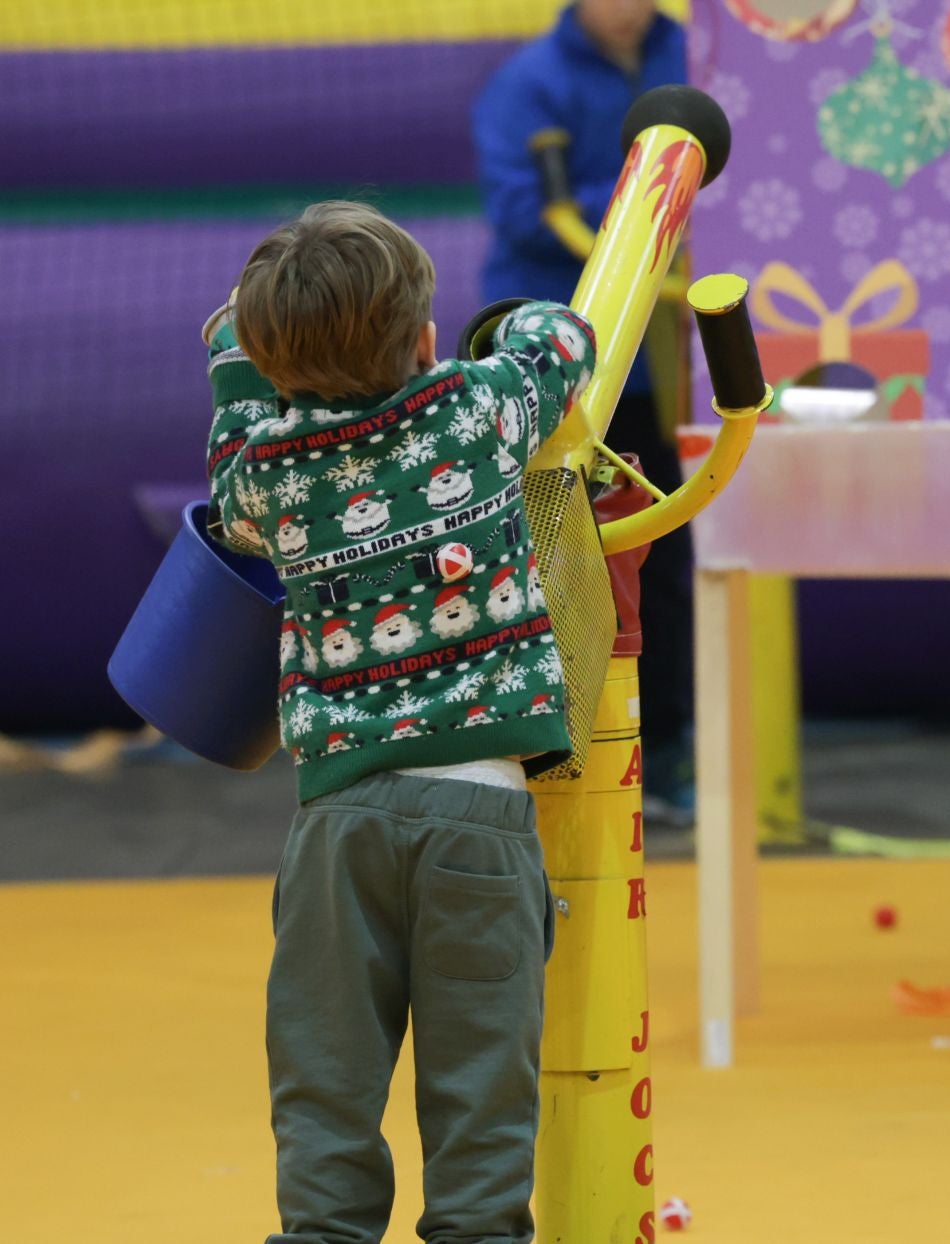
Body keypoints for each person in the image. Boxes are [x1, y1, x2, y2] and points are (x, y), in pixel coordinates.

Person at [204, 201, 596, 1243]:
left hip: (339, 819)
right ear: (425, 344)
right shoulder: (472, 412)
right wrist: (514, 324)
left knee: (324, 1086)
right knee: (482, 1103)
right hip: (479, 812)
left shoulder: (271, 476)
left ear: (263, 357)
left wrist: (236, 369)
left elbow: (230, 457)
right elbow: (563, 341)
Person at [473, 0, 696, 823]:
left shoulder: (697, 56)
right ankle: (541, 751)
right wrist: (655, 195)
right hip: (557, 381)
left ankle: (665, 753)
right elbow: (519, 212)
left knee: (664, 567)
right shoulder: (527, 85)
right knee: (548, 564)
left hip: (662, 370)